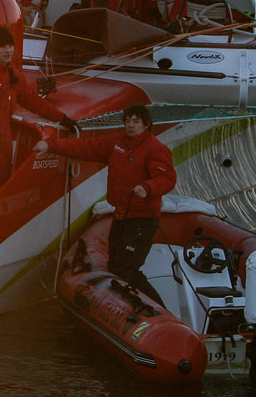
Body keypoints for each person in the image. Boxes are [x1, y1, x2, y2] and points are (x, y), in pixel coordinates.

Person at [34, 103, 175, 305]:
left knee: (127, 268)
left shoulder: (155, 149)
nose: (131, 125)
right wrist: (51, 146)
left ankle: (159, 310)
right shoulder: (117, 143)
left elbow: (167, 178)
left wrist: (148, 187)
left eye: (136, 121)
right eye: (127, 121)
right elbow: (86, 147)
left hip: (142, 219)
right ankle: (130, 306)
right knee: (116, 266)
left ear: (146, 124)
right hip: (121, 215)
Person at [0, 27, 68, 220]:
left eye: (10, 46)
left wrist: (62, 118)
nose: (8, 50)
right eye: (2, 47)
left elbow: (35, 102)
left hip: (4, 148)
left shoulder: (15, 77)